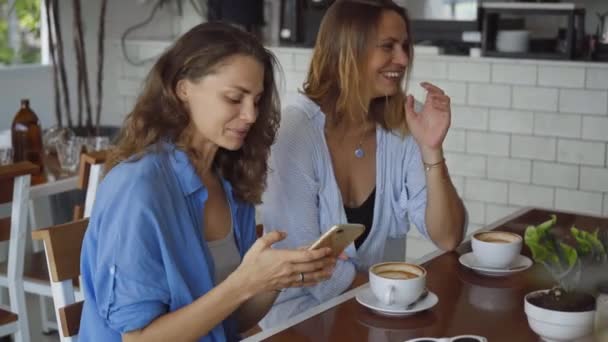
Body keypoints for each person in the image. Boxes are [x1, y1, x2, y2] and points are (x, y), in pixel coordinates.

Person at [79, 22, 337, 342]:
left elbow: (231, 323)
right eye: (234, 98)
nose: (251, 115)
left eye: (256, 101)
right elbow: (139, 339)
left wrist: (275, 279)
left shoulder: (229, 178)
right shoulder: (137, 189)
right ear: (182, 88)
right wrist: (243, 283)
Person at [259, 0, 466, 328]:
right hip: (302, 323)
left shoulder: (400, 127)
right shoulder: (295, 132)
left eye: (405, 46)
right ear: (346, 51)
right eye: (387, 47)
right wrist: (397, 300)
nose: (402, 59)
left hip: (379, 315)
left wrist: (432, 149)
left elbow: (448, 237)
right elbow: (311, 269)